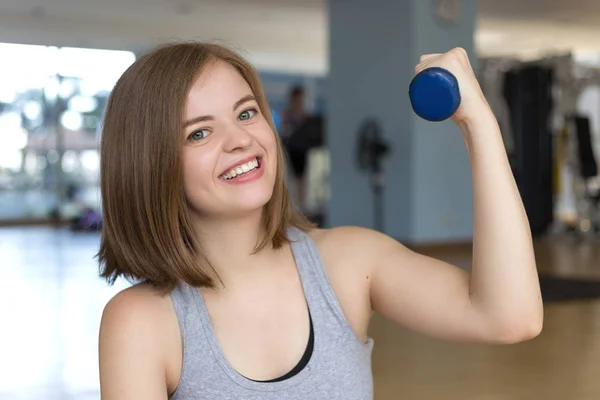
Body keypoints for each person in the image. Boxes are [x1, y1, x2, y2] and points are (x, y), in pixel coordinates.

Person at [97, 43, 543, 400]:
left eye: (247, 113)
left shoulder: (347, 263)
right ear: (150, 165)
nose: (240, 140)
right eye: (199, 132)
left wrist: (478, 123)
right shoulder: (142, 322)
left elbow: (510, 317)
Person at [281, 85, 309, 210]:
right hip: (292, 148)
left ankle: (302, 205)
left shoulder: (304, 113)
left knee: (302, 179)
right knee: (292, 178)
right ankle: (293, 206)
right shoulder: (288, 112)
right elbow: (285, 129)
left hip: (302, 148)